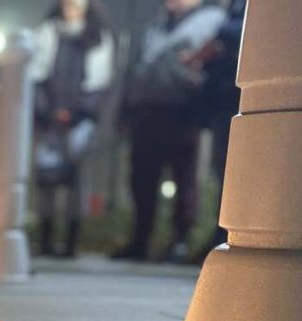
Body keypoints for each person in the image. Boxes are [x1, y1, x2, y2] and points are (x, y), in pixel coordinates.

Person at [114, 0, 226, 262]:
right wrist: (126, 109)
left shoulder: (212, 22)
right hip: (147, 111)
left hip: (183, 111)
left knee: (184, 179)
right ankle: (140, 239)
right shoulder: (155, 27)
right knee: (142, 179)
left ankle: (179, 241)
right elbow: (136, 70)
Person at [30, 0, 114, 258]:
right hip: (48, 118)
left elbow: (100, 81)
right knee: (46, 178)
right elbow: (36, 75)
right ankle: (45, 239)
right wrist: (47, 111)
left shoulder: (98, 35)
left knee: (76, 180)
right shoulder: (46, 31)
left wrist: (79, 113)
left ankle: (70, 242)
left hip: (81, 119)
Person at [187, 0, 247, 253]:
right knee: (223, 173)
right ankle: (220, 235)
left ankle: (228, 236)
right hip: (224, 100)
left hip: (240, 99)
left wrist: (216, 42)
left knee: (235, 173)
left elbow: (241, 30)